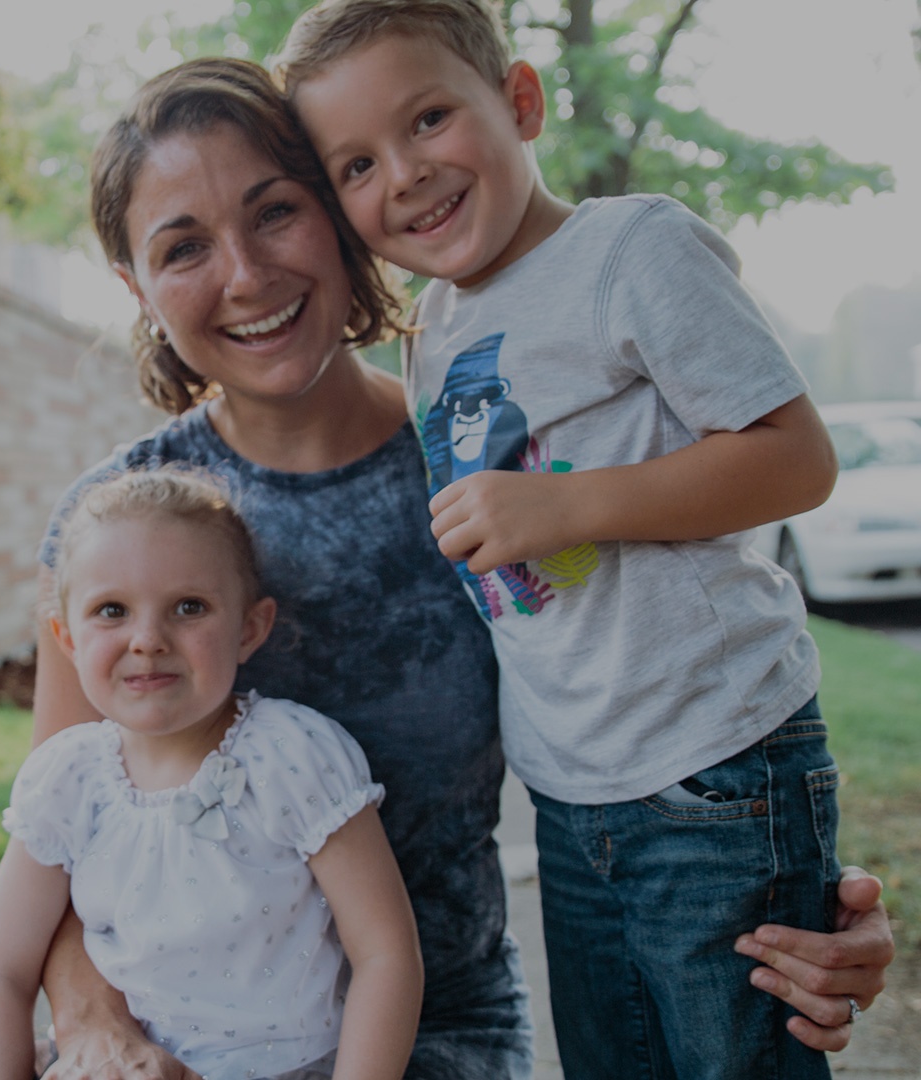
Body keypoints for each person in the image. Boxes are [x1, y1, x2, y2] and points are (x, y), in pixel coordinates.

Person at [0, 53, 890, 1080]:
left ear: (339, 213)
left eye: (276, 212)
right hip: (170, 1039)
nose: (246, 274)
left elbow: (645, 680)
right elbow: (60, 830)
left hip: (432, 1030)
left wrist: (788, 900)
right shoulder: (120, 528)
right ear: (136, 287)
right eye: (184, 248)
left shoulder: (496, 471)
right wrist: (95, 1026)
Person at [278, 2, 886, 1077]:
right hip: (570, 794)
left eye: (427, 120)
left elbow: (797, 458)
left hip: (713, 761)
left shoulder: (630, 248)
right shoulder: (434, 324)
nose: (405, 175)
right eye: (358, 164)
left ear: (520, 102)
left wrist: (569, 507)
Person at [0, 467, 423, 1080]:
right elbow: (2, 972)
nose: (147, 639)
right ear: (66, 638)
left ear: (249, 629)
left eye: (188, 607)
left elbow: (387, 954)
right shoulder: (67, 779)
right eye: (112, 610)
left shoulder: (292, 755)